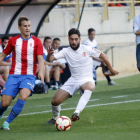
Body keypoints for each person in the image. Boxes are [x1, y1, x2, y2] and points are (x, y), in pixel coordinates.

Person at [46, 28, 119, 124]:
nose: (74, 41)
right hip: (73, 79)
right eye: (71, 39)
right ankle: (55, 118)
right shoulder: (65, 51)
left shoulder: (86, 48)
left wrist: (112, 70)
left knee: (90, 86)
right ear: (68, 39)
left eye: (76, 39)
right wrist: (48, 54)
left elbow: (103, 55)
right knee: (55, 102)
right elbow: (50, 59)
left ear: (79, 39)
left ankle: (76, 112)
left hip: (87, 79)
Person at [0, 16, 44, 130]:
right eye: (25, 26)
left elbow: (40, 59)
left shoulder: (37, 41)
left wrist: (42, 72)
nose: (27, 28)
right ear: (19, 27)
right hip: (14, 75)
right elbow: (3, 55)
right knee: (4, 103)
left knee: (23, 96)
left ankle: (7, 123)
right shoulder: (13, 41)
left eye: (29, 26)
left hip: (29, 76)